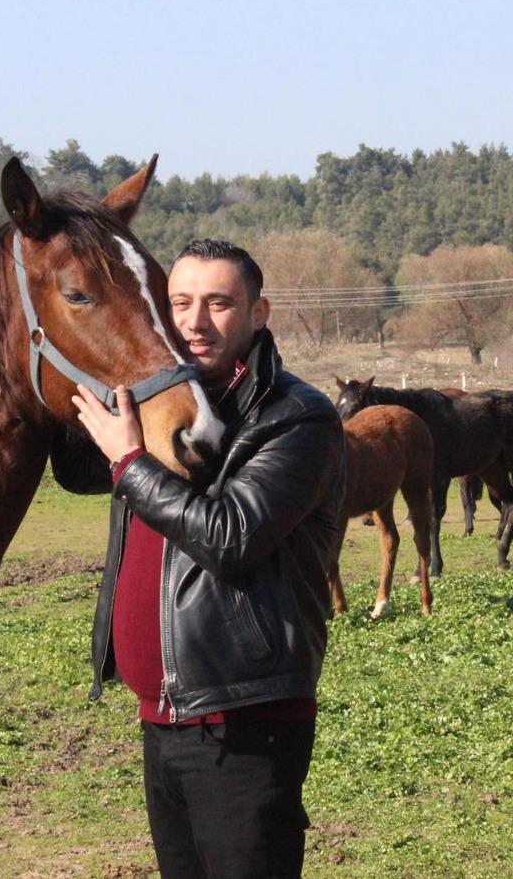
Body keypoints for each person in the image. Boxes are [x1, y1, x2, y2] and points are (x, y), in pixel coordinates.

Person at [53, 238, 345, 877]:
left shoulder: (296, 419)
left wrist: (130, 461)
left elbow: (230, 536)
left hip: (246, 721)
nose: (194, 321)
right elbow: (78, 469)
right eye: (179, 302)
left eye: (219, 304)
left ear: (259, 313)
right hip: (164, 720)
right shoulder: (166, 407)